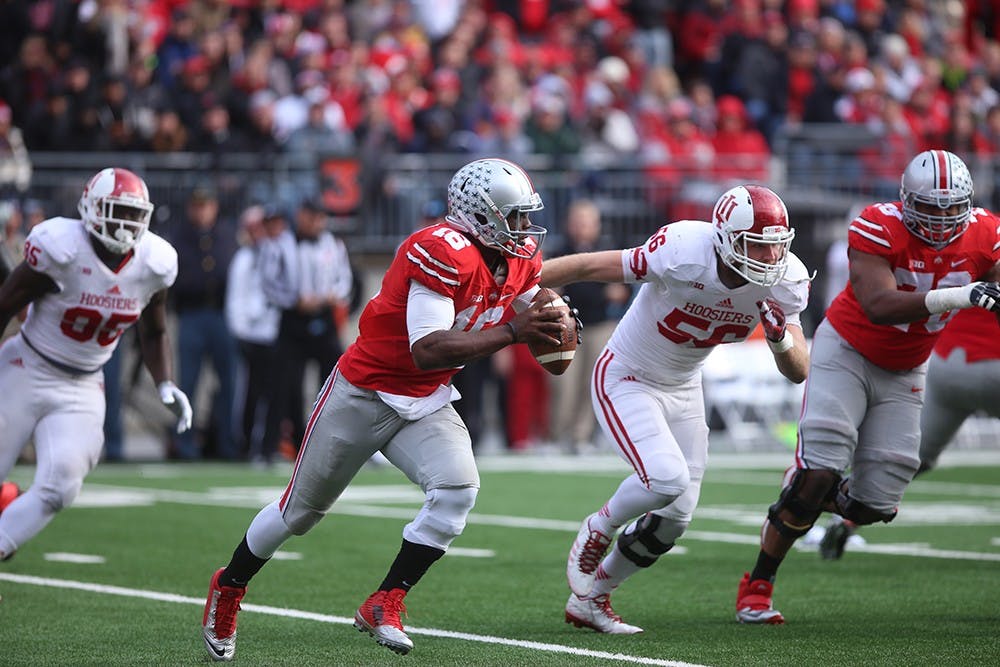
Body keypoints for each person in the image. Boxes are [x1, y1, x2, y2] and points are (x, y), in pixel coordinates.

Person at [201, 158, 568, 661]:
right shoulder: (440, 251)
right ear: (481, 215)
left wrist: (553, 322)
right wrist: (512, 333)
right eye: (515, 216)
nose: (525, 228)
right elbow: (428, 347)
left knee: (458, 491)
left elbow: (526, 307)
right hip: (365, 391)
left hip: (425, 399)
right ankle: (230, 585)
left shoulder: (519, 256)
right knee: (300, 512)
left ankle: (385, 600)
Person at [733, 150, 1000, 625]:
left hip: (908, 365)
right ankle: (758, 583)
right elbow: (879, 304)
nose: (940, 219)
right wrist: (963, 294)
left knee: (876, 505)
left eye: (949, 207)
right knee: (818, 472)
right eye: (929, 207)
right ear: (906, 201)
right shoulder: (877, 224)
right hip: (849, 350)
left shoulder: (988, 234)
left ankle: (810, 489)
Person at [541, 184, 812, 633]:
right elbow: (590, 265)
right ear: (724, 237)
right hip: (628, 376)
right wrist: (515, 285)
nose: (769, 260)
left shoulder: (786, 280)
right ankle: (597, 528)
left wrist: (781, 338)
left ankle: (592, 599)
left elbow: (798, 371)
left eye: (776, 247)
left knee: (674, 521)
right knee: (665, 478)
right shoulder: (685, 250)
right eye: (757, 247)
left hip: (685, 388)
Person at [0, 167, 192, 561]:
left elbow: (154, 332)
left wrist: (165, 383)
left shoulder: (155, 262)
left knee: (62, 485)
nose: (124, 224)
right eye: (115, 211)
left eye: (133, 214)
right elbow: (6, 303)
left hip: (85, 384)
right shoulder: (61, 248)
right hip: (28, 365)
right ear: (89, 207)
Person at [816, 303, 1000, 559]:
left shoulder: (965, 262)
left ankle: (844, 517)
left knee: (912, 456)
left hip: (948, 365)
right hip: (994, 364)